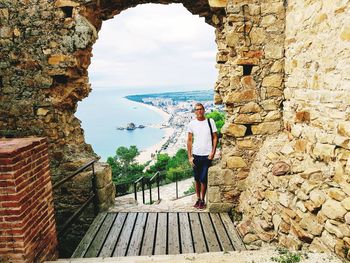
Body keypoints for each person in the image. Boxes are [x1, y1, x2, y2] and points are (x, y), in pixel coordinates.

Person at [187, 103, 218, 209]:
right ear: (194, 112)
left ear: (204, 110)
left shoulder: (210, 121)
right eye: (197, 110)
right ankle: (198, 199)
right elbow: (189, 140)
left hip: (206, 155)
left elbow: (215, 137)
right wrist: (189, 156)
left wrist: (213, 152)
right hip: (196, 155)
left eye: (201, 109)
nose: (199, 111)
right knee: (197, 179)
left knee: (203, 179)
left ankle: (203, 199)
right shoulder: (192, 124)